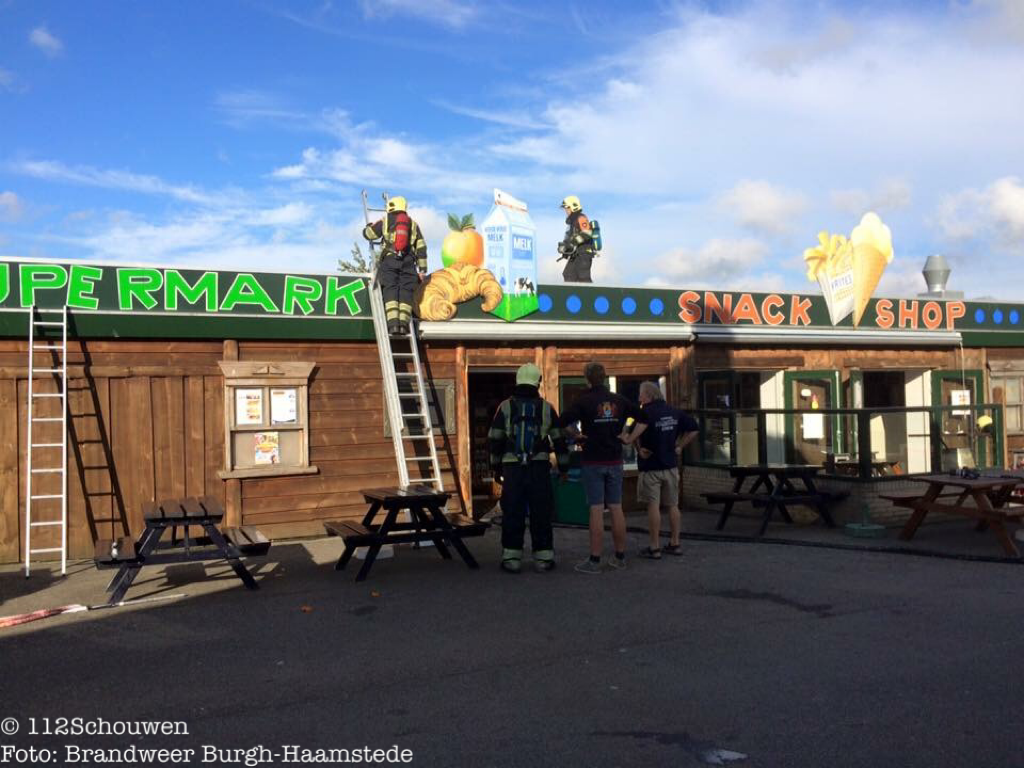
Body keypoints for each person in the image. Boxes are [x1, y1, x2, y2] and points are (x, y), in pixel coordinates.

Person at [560, 362, 646, 573]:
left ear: (587, 378)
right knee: (616, 507)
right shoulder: (619, 400)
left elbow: (561, 422)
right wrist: (628, 438)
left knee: (596, 509)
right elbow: (644, 418)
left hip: (592, 461)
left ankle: (595, 560)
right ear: (605, 376)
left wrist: (576, 435)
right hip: (615, 460)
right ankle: (620, 557)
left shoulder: (583, 400)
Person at [488, 363, 569, 574]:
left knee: (512, 511)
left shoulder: (505, 407)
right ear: (538, 382)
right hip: (539, 467)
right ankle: (543, 558)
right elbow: (559, 440)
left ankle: (512, 558)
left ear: (517, 381)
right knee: (541, 511)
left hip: (512, 468)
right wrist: (564, 468)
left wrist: (495, 467)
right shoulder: (547, 408)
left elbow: (495, 438)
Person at [629, 381, 698, 559]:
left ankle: (654, 547)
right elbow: (694, 429)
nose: (639, 397)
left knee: (653, 506)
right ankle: (675, 543)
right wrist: (680, 446)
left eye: (641, 394)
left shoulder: (644, 413)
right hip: (671, 466)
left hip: (650, 467)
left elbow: (631, 435)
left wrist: (639, 449)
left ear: (648, 395)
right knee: (673, 505)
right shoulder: (674, 411)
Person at [362, 195, 428, 336]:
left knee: (390, 288)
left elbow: (370, 234)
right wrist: (422, 270)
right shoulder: (413, 224)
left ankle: (393, 325)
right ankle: (403, 326)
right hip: (409, 262)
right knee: (406, 291)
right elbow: (421, 247)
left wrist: (368, 227)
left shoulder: (385, 221)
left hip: (390, 260)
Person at [557, 195, 600, 283]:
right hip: (576, 254)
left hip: (584, 254)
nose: (565, 210)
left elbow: (587, 233)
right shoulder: (572, 222)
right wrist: (565, 249)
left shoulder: (581, 218)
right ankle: (572, 292)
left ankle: (589, 292)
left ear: (573, 207)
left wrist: (572, 243)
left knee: (583, 277)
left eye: (567, 208)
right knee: (568, 274)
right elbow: (571, 238)